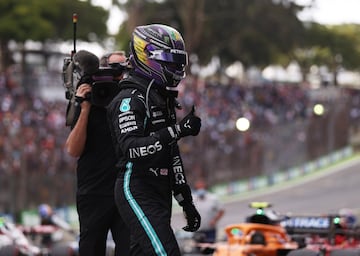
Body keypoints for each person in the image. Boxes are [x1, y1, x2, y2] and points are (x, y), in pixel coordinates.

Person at [107, 24, 202, 255]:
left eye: (179, 61)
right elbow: (131, 148)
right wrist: (177, 131)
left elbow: (172, 154)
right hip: (136, 187)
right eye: (169, 60)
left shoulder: (161, 97)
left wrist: (185, 200)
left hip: (160, 189)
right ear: (146, 55)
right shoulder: (128, 99)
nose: (176, 67)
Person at [65, 51, 130, 256]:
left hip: (126, 190)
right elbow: (73, 149)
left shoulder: (131, 101)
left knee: (130, 249)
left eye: (123, 69)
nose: (119, 74)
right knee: (91, 248)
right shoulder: (86, 99)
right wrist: (84, 107)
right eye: (114, 69)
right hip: (93, 191)